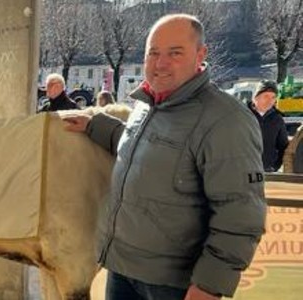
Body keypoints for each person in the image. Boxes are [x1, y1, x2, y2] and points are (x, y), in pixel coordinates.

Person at [63, 14, 265, 300]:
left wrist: (209, 285)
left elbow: (241, 214)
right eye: (153, 53)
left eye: (175, 53)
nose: (160, 63)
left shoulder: (226, 120)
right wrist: (95, 125)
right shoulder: (148, 105)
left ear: (200, 54)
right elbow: (140, 148)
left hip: (172, 285)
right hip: (123, 268)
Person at [248, 80, 289, 172]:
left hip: (268, 171)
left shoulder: (277, 119)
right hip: (244, 170)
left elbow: (283, 146)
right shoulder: (243, 116)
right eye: (266, 96)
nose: (270, 101)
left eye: (273, 97)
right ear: (255, 97)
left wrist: (275, 166)